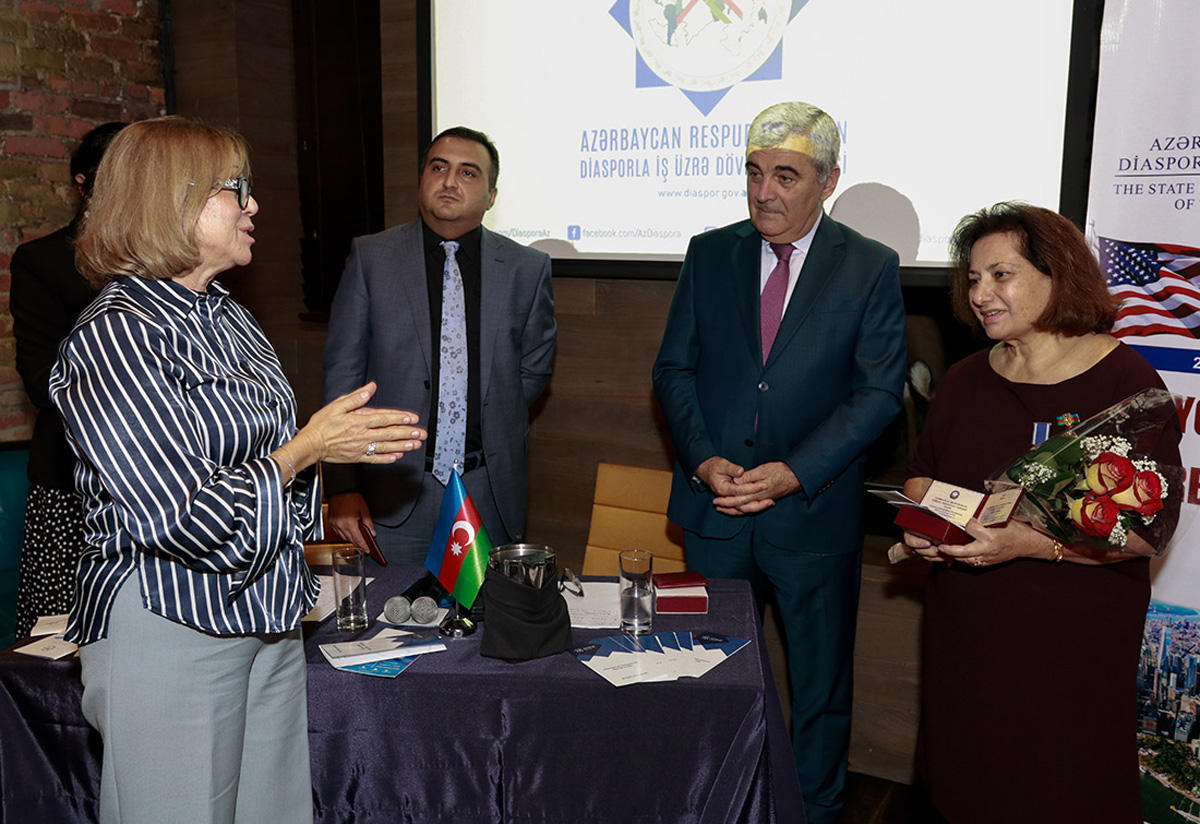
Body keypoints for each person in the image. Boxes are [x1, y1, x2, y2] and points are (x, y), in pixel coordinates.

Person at [49, 117, 426, 824]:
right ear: (173, 198)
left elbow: (270, 465)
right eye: (236, 189)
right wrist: (306, 450)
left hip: (266, 611)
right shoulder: (116, 334)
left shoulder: (227, 318)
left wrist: (325, 452)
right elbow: (175, 512)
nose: (253, 205)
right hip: (171, 621)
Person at [652, 100, 907, 823]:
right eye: (754, 172)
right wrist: (703, 461)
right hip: (716, 510)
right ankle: (712, 804)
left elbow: (879, 393)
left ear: (828, 180)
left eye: (785, 176)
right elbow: (673, 370)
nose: (764, 192)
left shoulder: (869, 265)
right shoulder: (710, 252)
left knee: (820, 690)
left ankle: (814, 814)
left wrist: (795, 471)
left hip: (812, 515)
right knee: (706, 673)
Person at [897, 202, 1181, 823]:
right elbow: (922, 474)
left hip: (1068, 642)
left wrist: (1029, 543)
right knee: (966, 784)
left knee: (1056, 786)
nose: (981, 294)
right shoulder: (967, 378)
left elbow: (1146, 533)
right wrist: (927, 523)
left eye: (1001, 275)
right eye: (974, 278)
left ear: (1059, 276)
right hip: (965, 630)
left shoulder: (1125, 385)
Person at [322, 126, 556, 564]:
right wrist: (342, 486)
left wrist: (478, 412)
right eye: (438, 167)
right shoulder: (372, 258)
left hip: (486, 490)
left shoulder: (527, 269)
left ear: (491, 196)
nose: (449, 181)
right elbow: (343, 378)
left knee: (487, 607)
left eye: (468, 173)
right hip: (391, 490)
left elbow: (533, 372)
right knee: (388, 608)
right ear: (421, 180)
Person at [10, 121, 125, 639]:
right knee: (61, 641)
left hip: (162, 487)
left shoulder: (168, 260)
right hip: (74, 479)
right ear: (83, 183)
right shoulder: (43, 260)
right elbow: (41, 378)